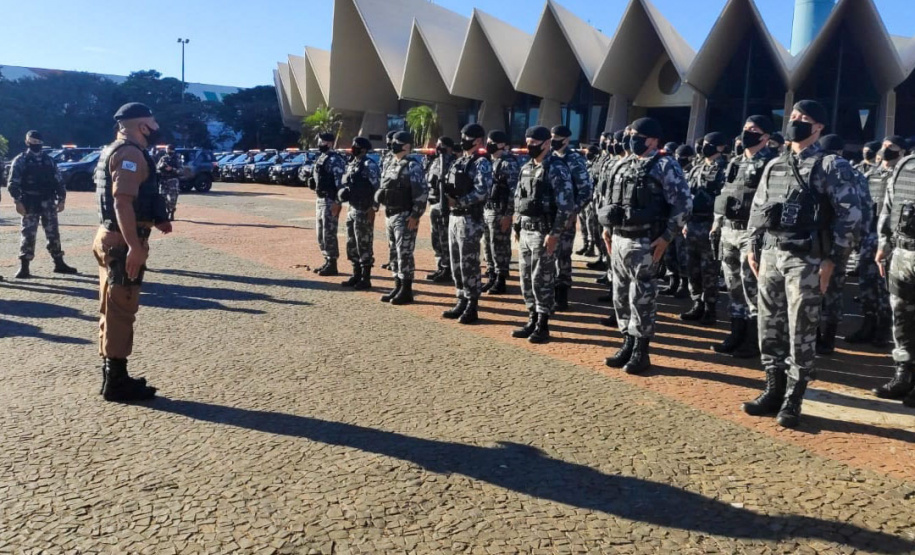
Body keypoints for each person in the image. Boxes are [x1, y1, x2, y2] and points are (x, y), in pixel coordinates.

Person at [743, 100, 861, 428]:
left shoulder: (831, 165)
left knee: (801, 329)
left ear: (818, 127)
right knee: (769, 324)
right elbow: (759, 208)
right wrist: (752, 246)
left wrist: (833, 260)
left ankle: (794, 397)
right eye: (793, 116)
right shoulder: (775, 164)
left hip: (807, 259)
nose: (794, 122)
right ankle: (773, 388)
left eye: (803, 118)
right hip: (772, 254)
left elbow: (850, 216)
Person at [598, 117, 691, 374]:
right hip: (619, 238)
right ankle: (627, 342)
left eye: (636, 136)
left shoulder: (665, 165)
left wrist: (667, 237)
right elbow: (610, 199)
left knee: (642, 297)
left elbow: (683, 204)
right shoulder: (623, 163)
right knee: (620, 295)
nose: (631, 140)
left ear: (652, 140)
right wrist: (607, 228)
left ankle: (641, 350)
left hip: (645, 241)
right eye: (629, 135)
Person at [93, 102, 172, 402]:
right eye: (153, 122)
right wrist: (135, 249)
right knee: (121, 309)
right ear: (142, 126)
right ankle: (116, 382)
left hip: (111, 236)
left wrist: (158, 218)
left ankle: (113, 375)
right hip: (123, 241)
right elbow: (122, 202)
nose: (156, 128)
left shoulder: (114, 149)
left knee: (112, 307)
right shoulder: (130, 154)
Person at [710, 115, 777, 357]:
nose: (746, 133)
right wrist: (717, 224)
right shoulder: (735, 162)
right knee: (733, 286)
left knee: (752, 287)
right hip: (729, 231)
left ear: (765, 136)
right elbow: (725, 193)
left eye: (753, 129)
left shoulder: (771, 163)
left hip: (752, 233)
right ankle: (736, 333)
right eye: (745, 128)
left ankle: (753, 340)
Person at [511, 126, 574, 344]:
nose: (530, 147)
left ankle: (543, 324)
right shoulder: (526, 167)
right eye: (527, 142)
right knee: (526, 278)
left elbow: (566, 206)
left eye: (534, 143)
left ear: (547, 144)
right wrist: (517, 226)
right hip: (526, 230)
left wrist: (554, 234)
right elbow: (519, 199)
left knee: (542, 279)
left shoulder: (556, 168)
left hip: (543, 232)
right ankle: (532, 318)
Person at [846, 136, 904, 346]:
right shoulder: (869, 175)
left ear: (902, 152)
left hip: (890, 240)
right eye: (884, 146)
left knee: (886, 285)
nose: (885, 150)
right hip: (868, 237)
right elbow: (859, 205)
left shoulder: (902, 176)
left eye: (892, 147)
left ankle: (884, 329)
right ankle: (868, 324)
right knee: (866, 284)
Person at [815, 134, 868, 355]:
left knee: (817, 288)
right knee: (834, 289)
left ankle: (818, 336)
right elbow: (864, 207)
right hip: (842, 239)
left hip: (824, 238)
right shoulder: (857, 175)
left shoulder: (821, 170)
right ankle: (828, 338)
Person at [873, 146, 915, 407]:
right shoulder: (906, 165)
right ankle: (903, 375)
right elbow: (889, 208)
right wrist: (883, 244)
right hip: (902, 253)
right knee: (901, 316)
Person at [6, 130, 78, 278]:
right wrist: (17, 202)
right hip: (29, 202)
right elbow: (13, 184)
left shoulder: (49, 160)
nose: (36, 145)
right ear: (27, 142)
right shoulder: (21, 160)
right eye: (33, 142)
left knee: (53, 233)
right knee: (28, 234)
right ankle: (24, 266)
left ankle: (59, 263)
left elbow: (58, 180)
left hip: (48, 201)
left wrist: (62, 199)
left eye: (38, 143)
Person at [442, 123, 493, 324]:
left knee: (468, 263)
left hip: (470, 218)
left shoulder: (482, 163)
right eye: (462, 136)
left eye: (467, 137)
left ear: (478, 140)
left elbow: (482, 191)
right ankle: (461, 298)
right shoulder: (459, 161)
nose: (462, 140)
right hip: (455, 217)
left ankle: (472, 304)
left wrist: (459, 202)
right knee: (456, 262)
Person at [681, 132, 728, 325]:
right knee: (692, 268)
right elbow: (687, 195)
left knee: (709, 270)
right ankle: (697, 303)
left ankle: (710, 308)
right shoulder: (696, 168)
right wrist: (685, 222)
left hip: (710, 225)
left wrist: (717, 226)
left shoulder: (724, 169)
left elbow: (724, 200)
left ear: (720, 147)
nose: (703, 147)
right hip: (692, 225)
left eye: (709, 144)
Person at [377, 131, 428, 305]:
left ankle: (406, 290)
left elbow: (421, 193)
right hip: (390, 213)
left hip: (405, 215)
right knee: (393, 251)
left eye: (397, 142)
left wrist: (415, 215)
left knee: (404, 253)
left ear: (406, 146)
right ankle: (397, 285)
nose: (393, 145)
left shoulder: (412, 166)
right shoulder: (391, 163)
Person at [550, 125, 593, 311]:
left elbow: (586, 190)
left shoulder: (574, 160)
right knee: (548, 252)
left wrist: (574, 211)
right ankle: (549, 289)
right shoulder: (549, 157)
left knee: (563, 253)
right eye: (552, 137)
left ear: (566, 140)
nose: (553, 141)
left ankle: (562, 293)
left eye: (557, 138)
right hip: (550, 213)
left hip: (566, 214)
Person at [339, 137, 381, 290]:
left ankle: (366, 278)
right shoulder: (352, 163)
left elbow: (377, 188)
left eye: (355, 146)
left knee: (364, 243)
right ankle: (356, 274)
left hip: (364, 209)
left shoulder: (369, 165)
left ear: (363, 149)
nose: (352, 148)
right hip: (352, 208)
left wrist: (373, 208)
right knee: (351, 243)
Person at [481, 130, 520, 295]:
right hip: (487, 208)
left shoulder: (508, 163)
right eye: (488, 141)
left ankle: (500, 279)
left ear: (502, 144)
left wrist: (508, 215)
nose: (488, 145)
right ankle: (491, 275)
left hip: (500, 211)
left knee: (499, 246)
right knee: (487, 245)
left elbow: (514, 192)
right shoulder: (490, 161)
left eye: (492, 142)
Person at [309, 132, 346, 276]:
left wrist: (337, 202)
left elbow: (340, 183)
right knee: (320, 233)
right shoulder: (322, 157)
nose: (320, 144)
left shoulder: (335, 159)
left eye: (322, 141)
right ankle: (327, 259)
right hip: (320, 199)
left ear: (329, 143)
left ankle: (332, 263)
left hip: (330, 200)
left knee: (328, 232)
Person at [426, 137, 456, 283]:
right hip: (434, 203)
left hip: (444, 205)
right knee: (436, 239)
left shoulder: (453, 163)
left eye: (442, 145)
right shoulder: (435, 161)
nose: (438, 148)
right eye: (437, 145)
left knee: (445, 239)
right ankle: (440, 266)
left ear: (449, 147)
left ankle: (448, 268)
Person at [156, 144, 182, 221]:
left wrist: (172, 169)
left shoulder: (177, 159)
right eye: (166, 149)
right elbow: (157, 168)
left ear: (172, 149)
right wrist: (161, 167)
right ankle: (167, 211)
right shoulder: (163, 158)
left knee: (173, 199)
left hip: (173, 180)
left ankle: (171, 211)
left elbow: (181, 170)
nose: (167, 150)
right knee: (162, 198)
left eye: (168, 149)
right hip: (163, 180)